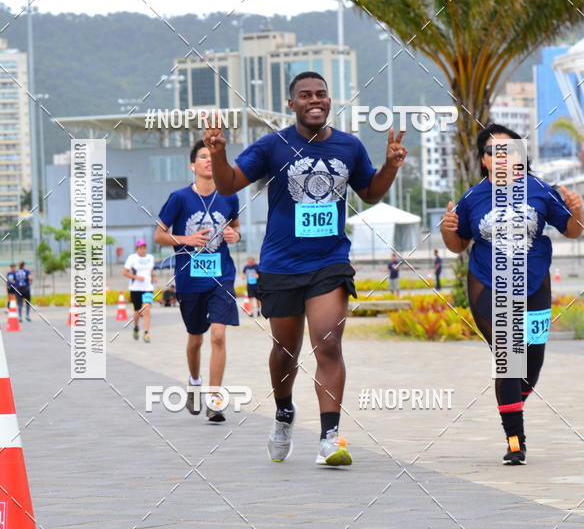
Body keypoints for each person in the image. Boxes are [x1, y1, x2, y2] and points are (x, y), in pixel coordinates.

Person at [205, 70, 407, 465]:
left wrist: (391, 167)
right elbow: (228, 184)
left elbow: (369, 193)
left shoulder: (349, 146)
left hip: (329, 262)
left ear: (329, 101)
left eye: (321, 94)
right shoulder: (273, 146)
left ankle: (329, 437)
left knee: (328, 344)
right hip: (281, 264)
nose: (315, 100)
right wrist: (216, 152)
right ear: (291, 103)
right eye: (305, 95)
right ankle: (283, 413)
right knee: (285, 351)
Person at [441, 123, 584, 465]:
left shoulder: (540, 190)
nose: (503, 158)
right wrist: (447, 231)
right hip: (487, 282)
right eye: (495, 152)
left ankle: (511, 405)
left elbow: (572, 231)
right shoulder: (472, 198)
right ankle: (515, 439)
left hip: (534, 284)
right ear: (484, 160)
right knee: (509, 353)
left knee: (531, 361)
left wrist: (577, 210)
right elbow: (458, 245)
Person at [154, 139, 241, 422]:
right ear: (193, 165)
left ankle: (215, 398)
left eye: (211, 156)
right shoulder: (179, 198)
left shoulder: (230, 196)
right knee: (196, 338)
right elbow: (159, 235)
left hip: (221, 275)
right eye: (202, 156)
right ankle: (194, 382)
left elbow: (235, 227)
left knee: (218, 334)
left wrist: (234, 236)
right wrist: (185, 239)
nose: (207, 160)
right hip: (190, 279)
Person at [123, 240, 157, 343]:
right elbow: (125, 273)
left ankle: (146, 333)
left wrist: (153, 276)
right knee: (137, 311)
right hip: (135, 288)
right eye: (140, 248)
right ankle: (136, 327)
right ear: (137, 249)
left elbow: (150, 270)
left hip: (148, 288)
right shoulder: (132, 258)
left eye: (144, 247)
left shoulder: (150, 258)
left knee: (146, 309)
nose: (142, 250)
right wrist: (136, 277)